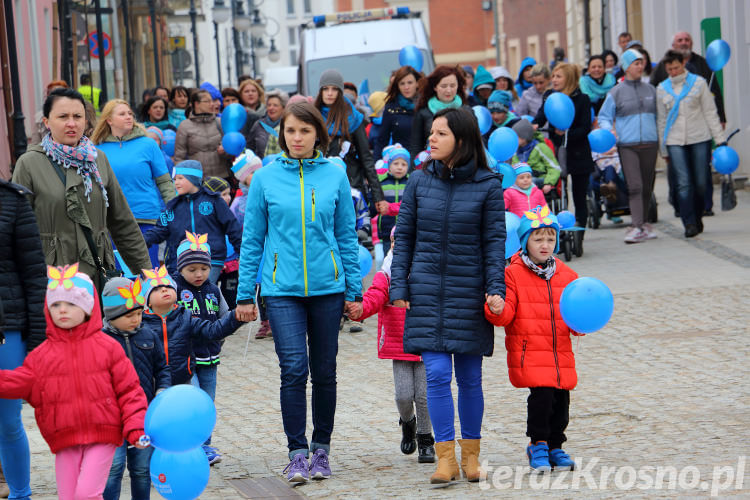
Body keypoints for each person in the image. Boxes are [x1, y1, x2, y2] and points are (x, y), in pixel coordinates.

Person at [234, 102, 362, 482]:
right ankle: (297, 452)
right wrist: (245, 295)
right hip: (281, 289)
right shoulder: (266, 178)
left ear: (317, 135)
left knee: (324, 371)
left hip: (328, 287)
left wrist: (354, 290)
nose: (297, 138)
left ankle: (321, 449)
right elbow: (252, 239)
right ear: (282, 134)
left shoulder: (335, 174)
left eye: (305, 131)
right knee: (293, 369)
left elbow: (346, 236)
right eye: (291, 131)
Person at [390, 107, 505, 484]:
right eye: (432, 133)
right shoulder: (419, 182)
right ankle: (445, 458)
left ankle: (471, 457)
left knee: (470, 378)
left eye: (441, 133)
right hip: (425, 291)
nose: (432, 139)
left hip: (469, 292)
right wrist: (399, 285)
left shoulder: (489, 185)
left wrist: (495, 288)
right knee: (437, 375)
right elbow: (403, 236)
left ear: (462, 138)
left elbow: (494, 242)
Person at [0, 264, 149, 499]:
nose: (62, 310)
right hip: (65, 438)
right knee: (69, 497)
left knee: (87, 494)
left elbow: (130, 391)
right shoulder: (42, 355)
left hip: (103, 434)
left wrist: (136, 427)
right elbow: (19, 381)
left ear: (88, 307)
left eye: (71, 304)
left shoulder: (108, 348)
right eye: (56, 304)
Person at [12, 88, 152, 290]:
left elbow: (122, 222)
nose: (71, 123)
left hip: (97, 274)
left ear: (86, 121)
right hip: (53, 280)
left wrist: (147, 275)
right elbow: (17, 229)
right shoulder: (29, 163)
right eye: (62, 116)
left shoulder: (98, 159)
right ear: (46, 122)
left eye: (78, 116)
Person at [484, 206, 582, 473]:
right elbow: (507, 315)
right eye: (538, 239)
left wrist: (582, 322)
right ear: (525, 241)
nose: (545, 244)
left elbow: (574, 315)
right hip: (531, 349)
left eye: (550, 239)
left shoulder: (566, 275)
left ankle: (556, 445)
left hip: (559, 351)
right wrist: (496, 308)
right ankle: (537, 443)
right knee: (541, 399)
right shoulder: (513, 274)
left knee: (561, 402)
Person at [349, 227, 435, 463]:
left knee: (425, 396)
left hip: (427, 341)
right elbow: (375, 295)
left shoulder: (431, 269)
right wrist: (360, 310)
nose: (400, 245)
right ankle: (408, 423)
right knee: (404, 395)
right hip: (400, 341)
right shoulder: (386, 273)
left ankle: (426, 438)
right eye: (396, 241)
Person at [101, 277, 171, 500]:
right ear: (112, 315)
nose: (136, 320)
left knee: (141, 469)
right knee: (113, 468)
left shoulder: (148, 335)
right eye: (129, 315)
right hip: (110, 417)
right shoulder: (100, 341)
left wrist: (162, 389)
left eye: (139, 314)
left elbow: (162, 368)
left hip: (143, 415)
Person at [0, 177, 47, 500]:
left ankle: (21, 495)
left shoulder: (12, 201)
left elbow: (34, 275)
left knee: (8, 422)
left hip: (7, 329)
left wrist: (37, 342)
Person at [91, 99, 176, 267]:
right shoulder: (96, 149)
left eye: (130, 113)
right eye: (122, 114)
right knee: (119, 276)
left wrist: (175, 211)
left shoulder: (149, 144)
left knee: (148, 273)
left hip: (146, 219)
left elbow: (165, 184)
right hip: (112, 222)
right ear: (109, 120)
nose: (129, 117)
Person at [651, 31, 727, 216]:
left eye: (687, 40)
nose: (684, 43)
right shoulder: (662, 74)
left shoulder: (701, 69)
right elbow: (660, 116)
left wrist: (721, 129)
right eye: (680, 40)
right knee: (681, 179)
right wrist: (662, 147)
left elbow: (713, 97)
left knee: (701, 178)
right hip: (675, 137)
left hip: (699, 133)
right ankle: (686, 215)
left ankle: (703, 206)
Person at [173, 233, 229, 464]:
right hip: (186, 358)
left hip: (210, 358)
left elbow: (224, 317)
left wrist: (218, 341)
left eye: (204, 268)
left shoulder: (214, 290)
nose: (199, 274)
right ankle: (189, 446)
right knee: (192, 402)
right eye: (192, 269)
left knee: (207, 403)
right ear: (181, 269)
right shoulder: (174, 289)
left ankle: (205, 446)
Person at [140, 265, 245, 389]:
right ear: (148, 301)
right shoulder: (142, 325)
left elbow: (213, 330)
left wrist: (236, 316)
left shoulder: (185, 317)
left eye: (168, 286)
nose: (164, 290)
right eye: (157, 289)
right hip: (154, 385)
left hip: (185, 381)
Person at [143, 160, 243, 282]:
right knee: (184, 298)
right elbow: (159, 230)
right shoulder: (172, 206)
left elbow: (233, 228)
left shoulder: (214, 201)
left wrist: (243, 253)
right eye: (175, 179)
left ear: (193, 179)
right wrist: (141, 241)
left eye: (180, 178)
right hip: (181, 262)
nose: (176, 183)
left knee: (203, 294)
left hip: (210, 260)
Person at [598, 49, 659, 243]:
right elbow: (604, 116)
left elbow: (660, 116)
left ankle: (645, 224)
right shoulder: (616, 92)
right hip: (628, 145)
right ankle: (637, 226)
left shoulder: (650, 90)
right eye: (636, 63)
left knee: (647, 187)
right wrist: (611, 132)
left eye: (641, 63)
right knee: (635, 186)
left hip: (650, 143)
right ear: (626, 67)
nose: (640, 66)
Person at [314, 69, 387, 214]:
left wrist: (378, 196)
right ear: (320, 91)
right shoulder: (312, 117)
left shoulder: (353, 118)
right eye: (326, 88)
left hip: (350, 186)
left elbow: (366, 158)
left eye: (334, 89)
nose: (329, 93)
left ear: (340, 92)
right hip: (319, 186)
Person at [533, 63, 595, 227]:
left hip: (578, 152)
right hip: (555, 150)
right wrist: (533, 125)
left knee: (579, 195)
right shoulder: (549, 96)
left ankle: (580, 228)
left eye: (558, 76)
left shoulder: (582, 99)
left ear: (569, 79)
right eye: (553, 76)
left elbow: (584, 127)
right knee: (557, 192)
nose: (554, 80)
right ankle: (558, 226)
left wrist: (568, 133)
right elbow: (541, 115)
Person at [409, 65, 467, 168]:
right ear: (435, 87)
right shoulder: (423, 112)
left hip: (462, 166)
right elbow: (415, 146)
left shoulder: (466, 111)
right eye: (444, 86)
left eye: (452, 86)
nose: (448, 90)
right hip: (431, 168)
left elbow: (476, 143)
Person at [174, 89, 230, 180]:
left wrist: (225, 151)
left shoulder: (220, 123)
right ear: (196, 104)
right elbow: (179, 158)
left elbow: (231, 152)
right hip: (199, 179)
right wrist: (184, 179)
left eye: (212, 101)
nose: (212, 104)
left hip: (223, 177)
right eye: (207, 101)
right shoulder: (184, 126)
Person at [374, 65, 421, 160]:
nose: (406, 87)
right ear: (397, 86)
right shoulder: (391, 107)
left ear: (417, 83)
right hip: (401, 163)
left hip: (424, 161)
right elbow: (382, 140)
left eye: (410, 83)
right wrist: (377, 167)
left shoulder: (425, 105)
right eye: (402, 83)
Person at [511, 119, 560, 193]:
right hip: (523, 179)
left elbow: (554, 168)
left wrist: (549, 183)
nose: (513, 139)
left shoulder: (540, 147)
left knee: (527, 182)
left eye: (516, 136)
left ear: (524, 136)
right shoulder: (516, 151)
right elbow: (514, 168)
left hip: (540, 179)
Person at [375, 144, 409, 251]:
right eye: (396, 163)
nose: (399, 167)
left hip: (405, 231)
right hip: (386, 230)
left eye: (404, 164)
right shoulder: (382, 183)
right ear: (389, 165)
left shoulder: (410, 183)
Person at [245, 89, 288, 158]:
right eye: (269, 105)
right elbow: (249, 148)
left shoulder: (288, 126)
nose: (271, 108)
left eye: (275, 105)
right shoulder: (258, 125)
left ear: (283, 108)